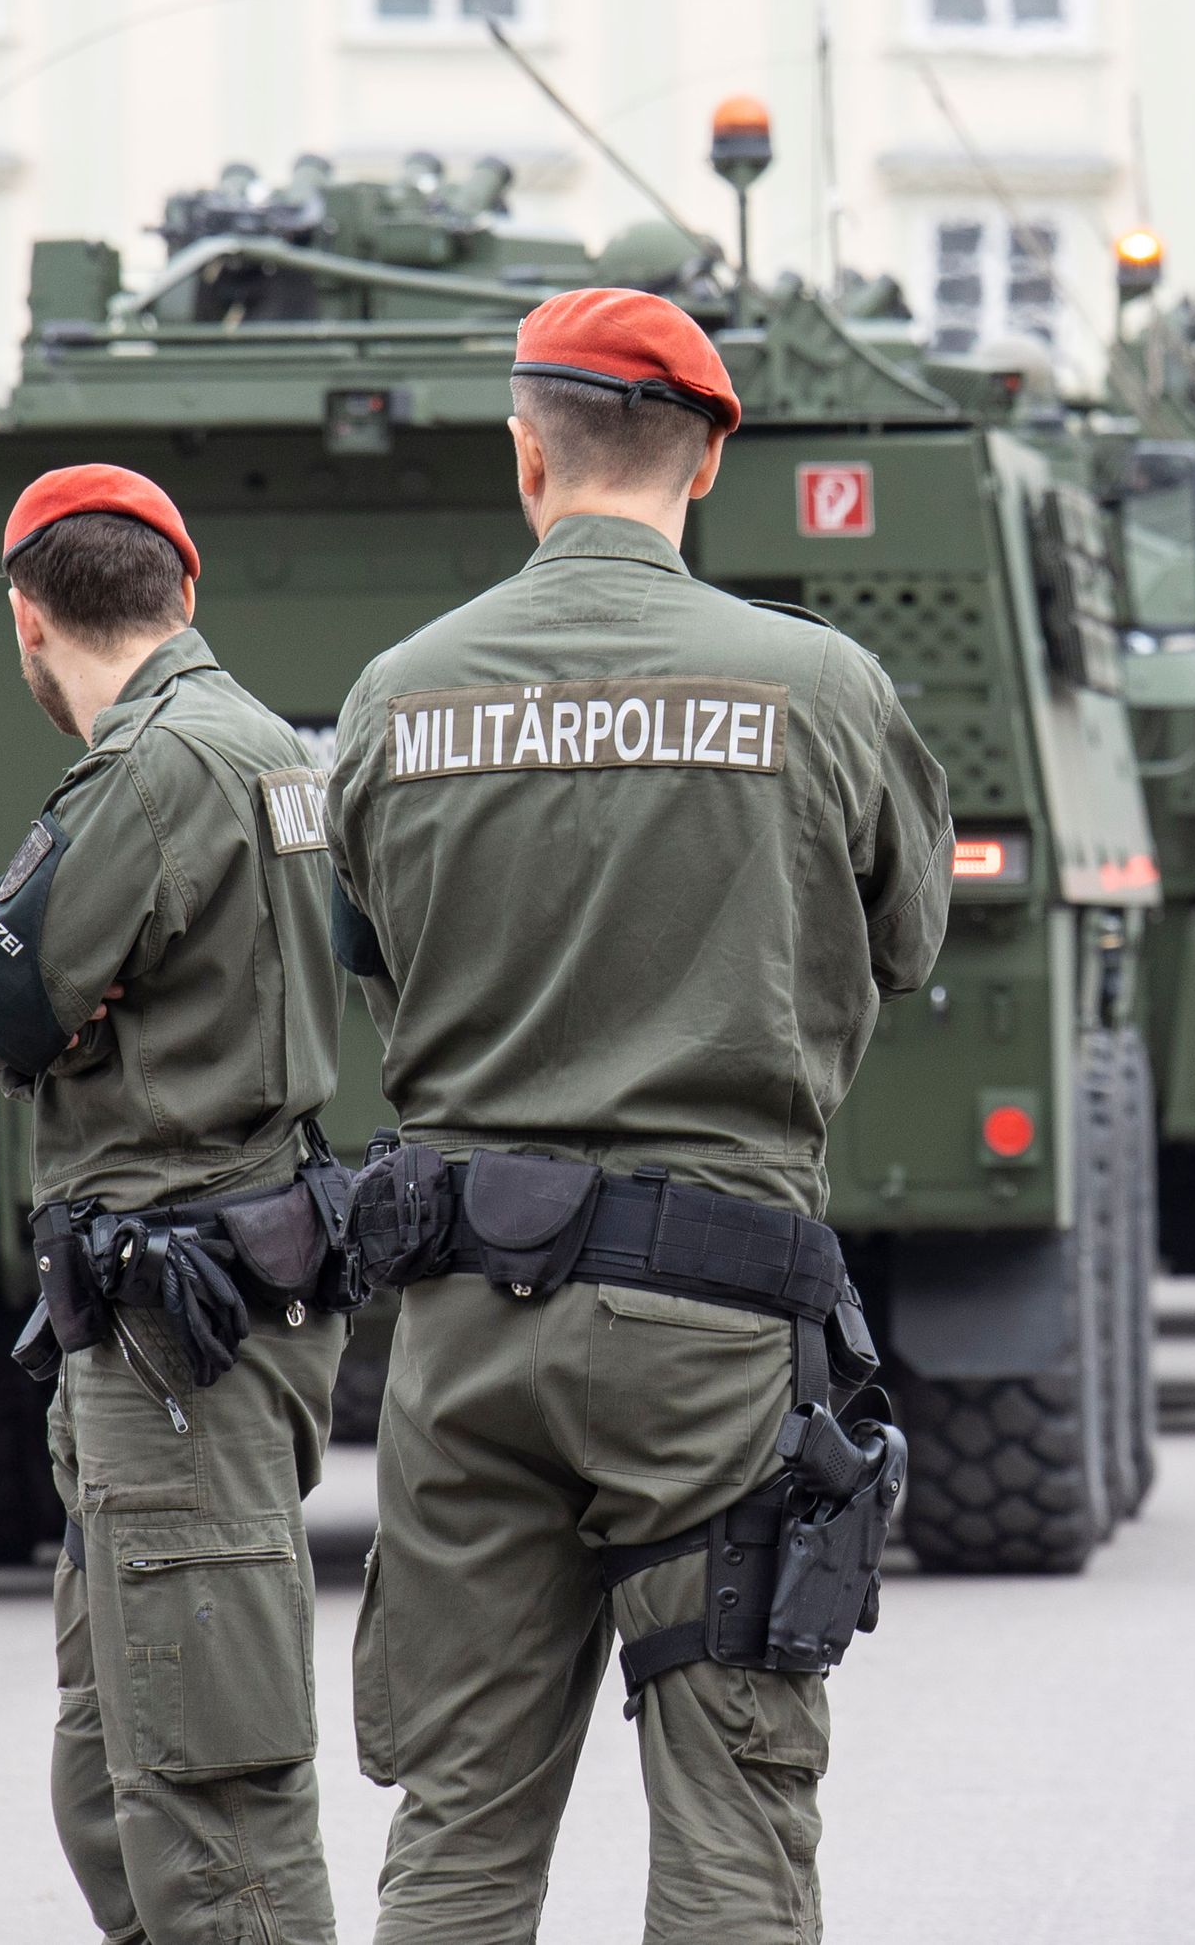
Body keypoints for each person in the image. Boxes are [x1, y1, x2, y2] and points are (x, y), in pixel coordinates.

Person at [323, 287, 953, 1944]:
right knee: (734, 1806)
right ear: (709, 465)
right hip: (710, 1325)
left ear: (525, 455)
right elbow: (910, 938)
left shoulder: (398, 697)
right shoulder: (822, 687)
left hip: (463, 1332)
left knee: (458, 1812)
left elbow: (370, 962)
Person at [0, 465, 350, 1945]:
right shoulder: (266, 741)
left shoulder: (154, 766)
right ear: (187, 588)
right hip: (206, 1301)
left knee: (207, 1778)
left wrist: (77, 1010)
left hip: (182, 1330)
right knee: (124, 1760)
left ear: (27, 620)